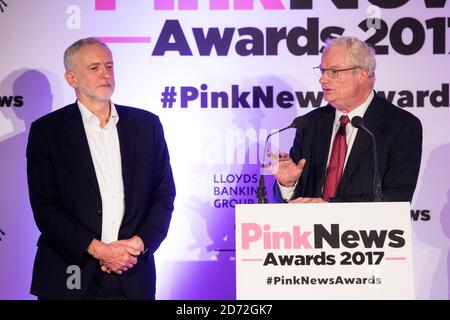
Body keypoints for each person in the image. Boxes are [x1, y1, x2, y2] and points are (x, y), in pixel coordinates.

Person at [26, 37, 176, 299]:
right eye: (94, 68)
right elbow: (46, 207)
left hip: (131, 273)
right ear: (72, 79)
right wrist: (99, 250)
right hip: (70, 271)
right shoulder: (47, 131)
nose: (105, 74)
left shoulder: (146, 125)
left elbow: (163, 194)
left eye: (109, 66)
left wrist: (137, 246)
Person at [267, 36, 422, 203]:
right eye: (322, 71)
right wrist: (288, 184)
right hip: (309, 229)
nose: (322, 79)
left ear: (362, 75)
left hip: (366, 229)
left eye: (333, 72)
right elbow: (293, 205)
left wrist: (331, 208)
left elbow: (397, 198)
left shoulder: (400, 126)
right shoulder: (310, 124)